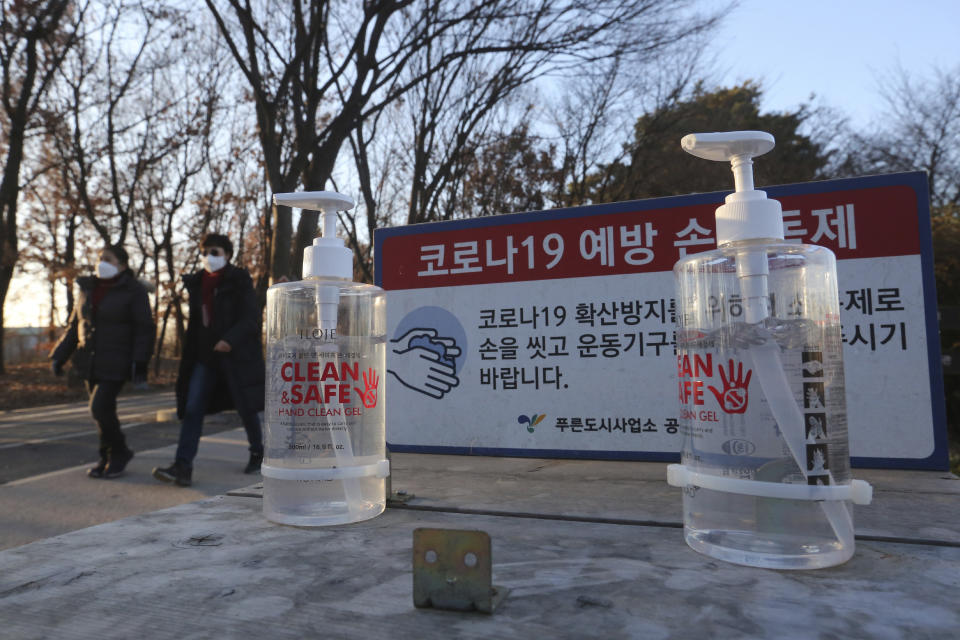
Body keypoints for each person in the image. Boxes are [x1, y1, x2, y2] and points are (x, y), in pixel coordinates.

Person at [153, 234, 265, 487]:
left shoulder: (238, 280)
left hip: (236, 357)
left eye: (214, 252)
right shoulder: (197, 283)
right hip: (205, 358)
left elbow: (250, 318)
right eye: (204, 252)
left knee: (245, 407)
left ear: (227, 254)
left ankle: (258, 452)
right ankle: (183, 466)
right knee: (193, 409)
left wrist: (230, 340)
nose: (208, 257)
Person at [50, 245, 154, 479]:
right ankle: (106, 457)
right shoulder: (87, 288)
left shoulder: (133, 290)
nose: (101, 263)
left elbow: (144, 328)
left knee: (98, 407)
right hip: (89, 360)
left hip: (118, 359)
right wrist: (59, 355)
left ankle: (119, 452)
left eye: (108, 259)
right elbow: (75, 326)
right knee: (102, 413)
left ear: (123, 265)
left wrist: (140, 361)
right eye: (99, 258)